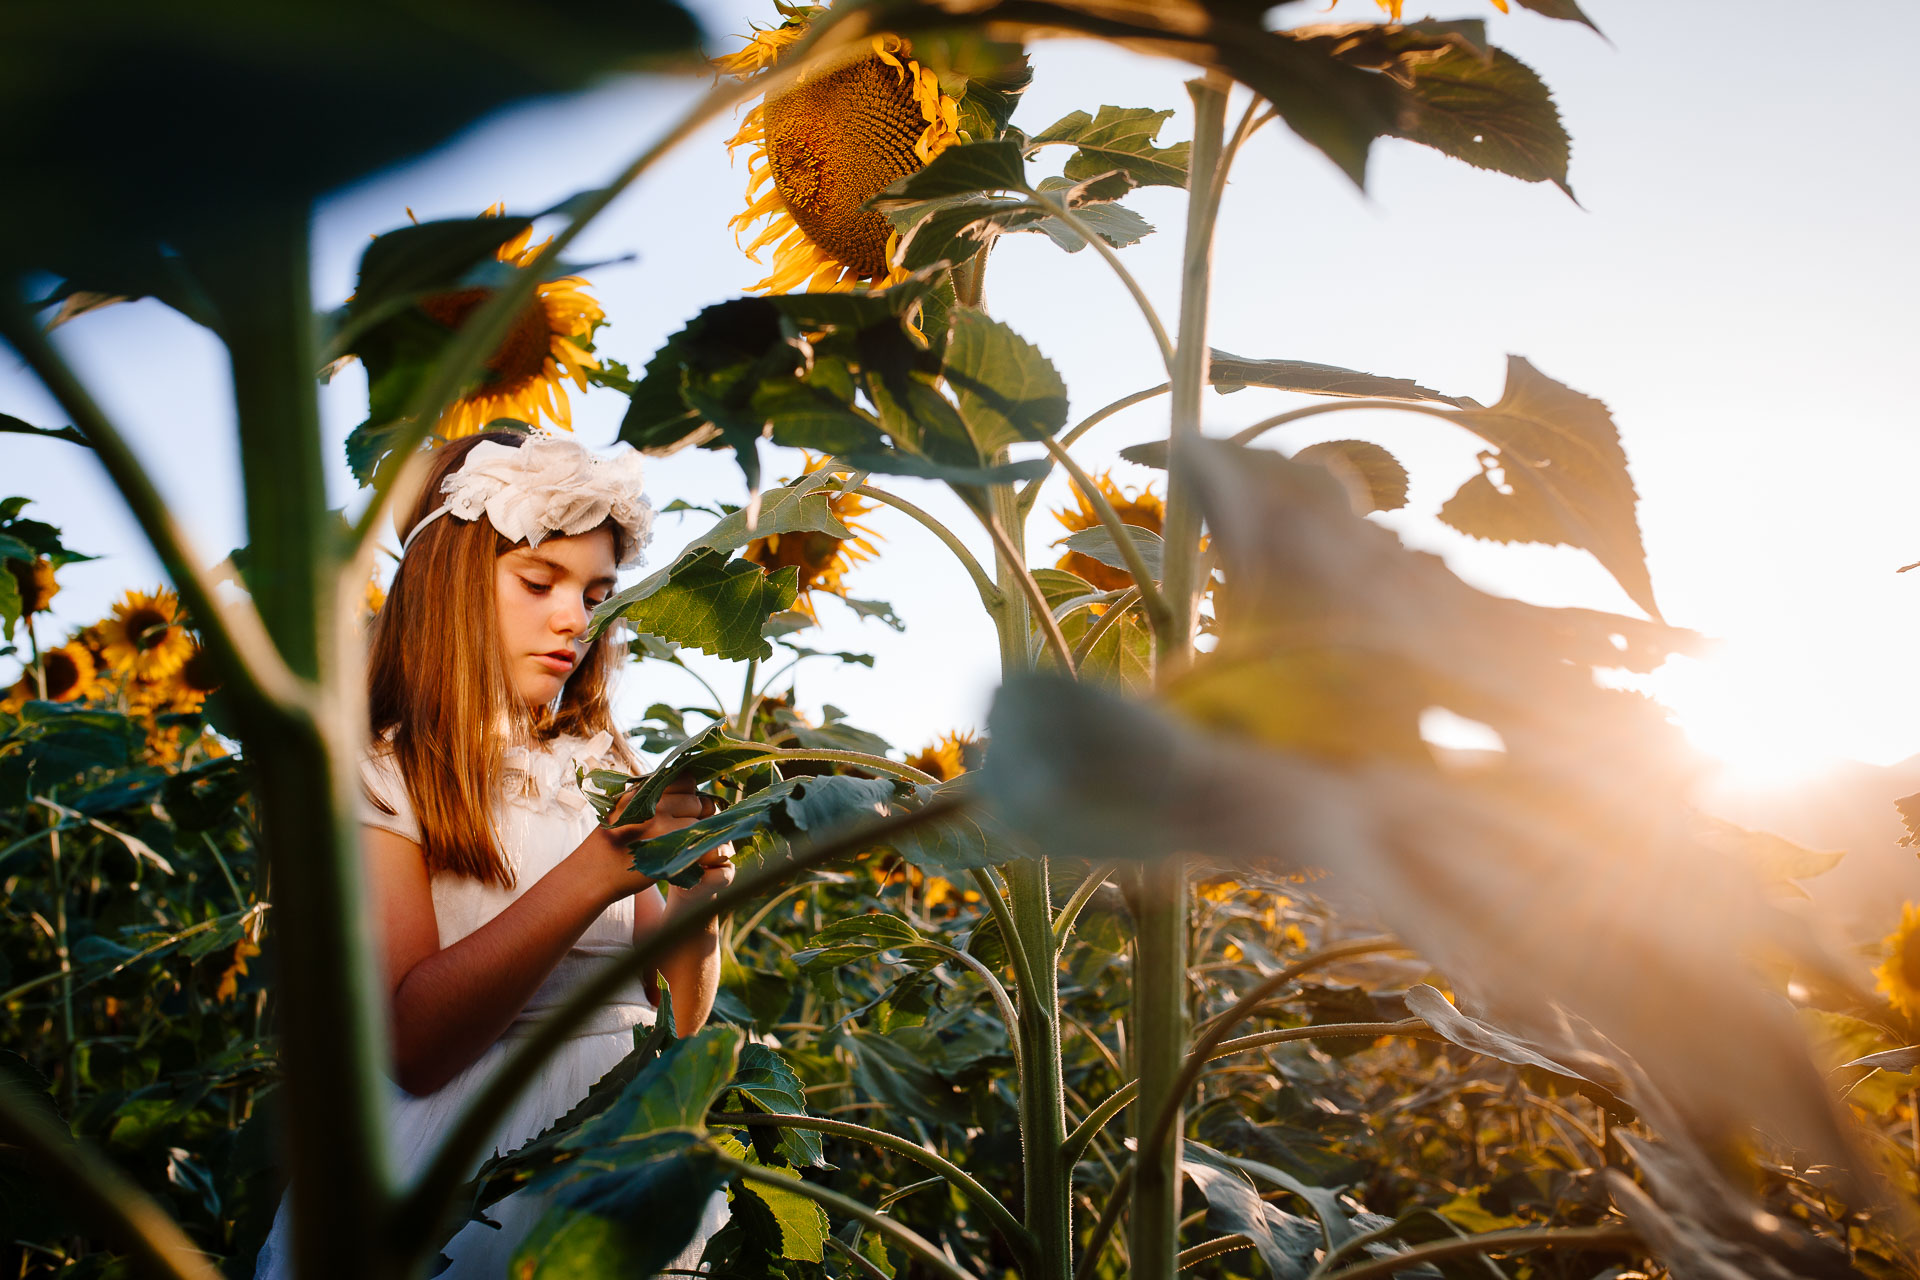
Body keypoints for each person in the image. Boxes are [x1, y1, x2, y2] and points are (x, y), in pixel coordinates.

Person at [255, 431, 734, 1277]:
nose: (573, 619)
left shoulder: (605, 771)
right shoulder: (384, 774)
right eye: (538, 581)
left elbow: (677, 1021)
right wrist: (594, 875)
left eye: (595, 593)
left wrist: (699, 898)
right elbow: (416, 1043)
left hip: (625, 1144)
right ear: (446, 587)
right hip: (464, 1164)